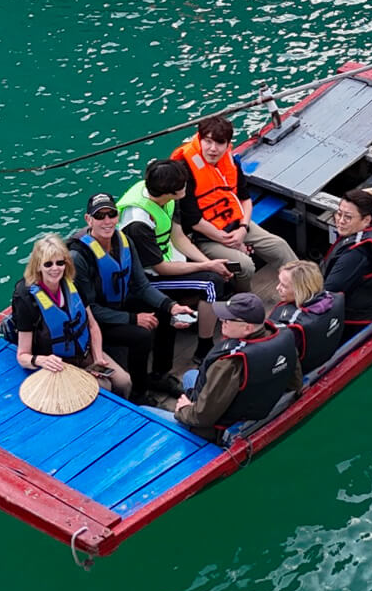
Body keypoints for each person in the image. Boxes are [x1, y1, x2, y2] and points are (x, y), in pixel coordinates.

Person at [68, 192, 196, 401]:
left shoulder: (124, 240)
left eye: (112, 214)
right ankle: (138, 391)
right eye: (100, 216)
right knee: (141, 335)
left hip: (121, 303)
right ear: (88, 220)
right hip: (98, 319)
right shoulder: (79, 256)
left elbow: (141, 284)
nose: (107, 221)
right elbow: (89, 308)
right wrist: (134, 319)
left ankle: (159, 374)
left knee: (164, 314)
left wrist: (171, 306)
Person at [119, 158, 232, 359]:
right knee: (211, 284)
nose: (185, 186)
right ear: (168, 192)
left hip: (167, 259)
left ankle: (201, 322)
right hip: (148, 277)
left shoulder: (167, 199)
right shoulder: (138, 222)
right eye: (181, 186)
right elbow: (160, 268)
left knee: (214, 272)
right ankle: (204, 348)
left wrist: (207, 262)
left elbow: (178, 237)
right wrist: (207, 267)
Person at [171, 115, 299, 285]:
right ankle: (243, 303)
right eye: (208, 142)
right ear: (199, 140)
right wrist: (230, 241)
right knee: (244, 266)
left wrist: (243, 229)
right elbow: (194, 220)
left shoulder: (229, 162)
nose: (213, 149)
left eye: (219, 143)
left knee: (280, 246)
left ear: (227, 144)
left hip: (236, 225)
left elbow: (245, 199)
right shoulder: (185, 169)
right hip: (205, 237)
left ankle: (304, 288)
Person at [165, 293, 302, 440]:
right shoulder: (284, 338)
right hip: (261, 408)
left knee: (146, 410)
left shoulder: (230, 363)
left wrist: (184, 409)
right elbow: (296, 382)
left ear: (248, 328)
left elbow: (202, 417)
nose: (222, 320)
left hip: (223, 430)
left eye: (228, 319)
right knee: (190, 376)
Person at [9, 234, 131, 398]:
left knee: (124, 381)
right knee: (104, 387)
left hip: (84, 352)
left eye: (60, 263)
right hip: (59, 364)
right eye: (48, 264)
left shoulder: (72, 285)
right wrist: (40, 360)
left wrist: (98, 358)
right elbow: (22, 356)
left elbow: (92, 326)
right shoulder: (26, 300)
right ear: (38, 266)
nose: (55, 268)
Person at [321, 189, 372, 331]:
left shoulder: (356, 254)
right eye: (339, 213)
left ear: (366, 220)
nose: (340, 221)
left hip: (355, 320)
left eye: (348, 217)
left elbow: (326, 294)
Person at [269, 260, 345, 379]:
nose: (277, 288)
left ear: (300, 290)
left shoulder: (292, 326)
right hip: (326, 357)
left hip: (304, 375)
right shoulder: (333, 299)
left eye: (284, 285)